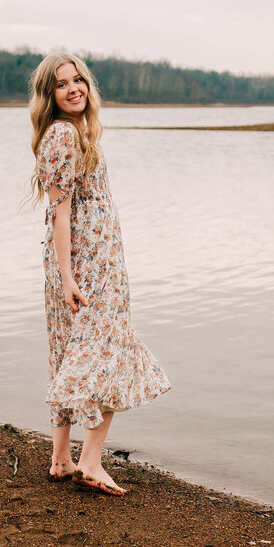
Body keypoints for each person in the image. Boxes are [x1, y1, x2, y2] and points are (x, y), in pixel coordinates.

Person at [28, 52, 170, 496]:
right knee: (105, 353)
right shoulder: (64, 136)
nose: (73, 88)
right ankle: (90, 461)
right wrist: (69, 277)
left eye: (79, 80)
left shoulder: (78, 134)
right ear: (49, 94)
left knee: (71, 352)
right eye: (61, 83)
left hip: (89, 264)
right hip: (89, 269)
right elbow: (59, 212)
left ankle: (61, 458)